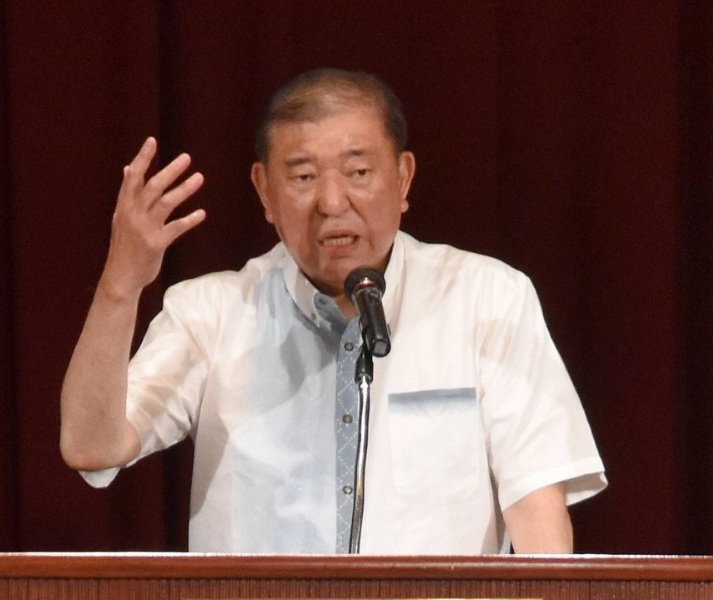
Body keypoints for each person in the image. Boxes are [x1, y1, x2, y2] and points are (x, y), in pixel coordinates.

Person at [60, 68, 606, 555]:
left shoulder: (487, 299)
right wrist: (121, 284)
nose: (331, 201)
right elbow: (91, 446)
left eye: (358, 172)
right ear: (264, 192)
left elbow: (536, 503)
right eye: (302, 177)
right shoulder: (211, 312)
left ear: (403, 178)